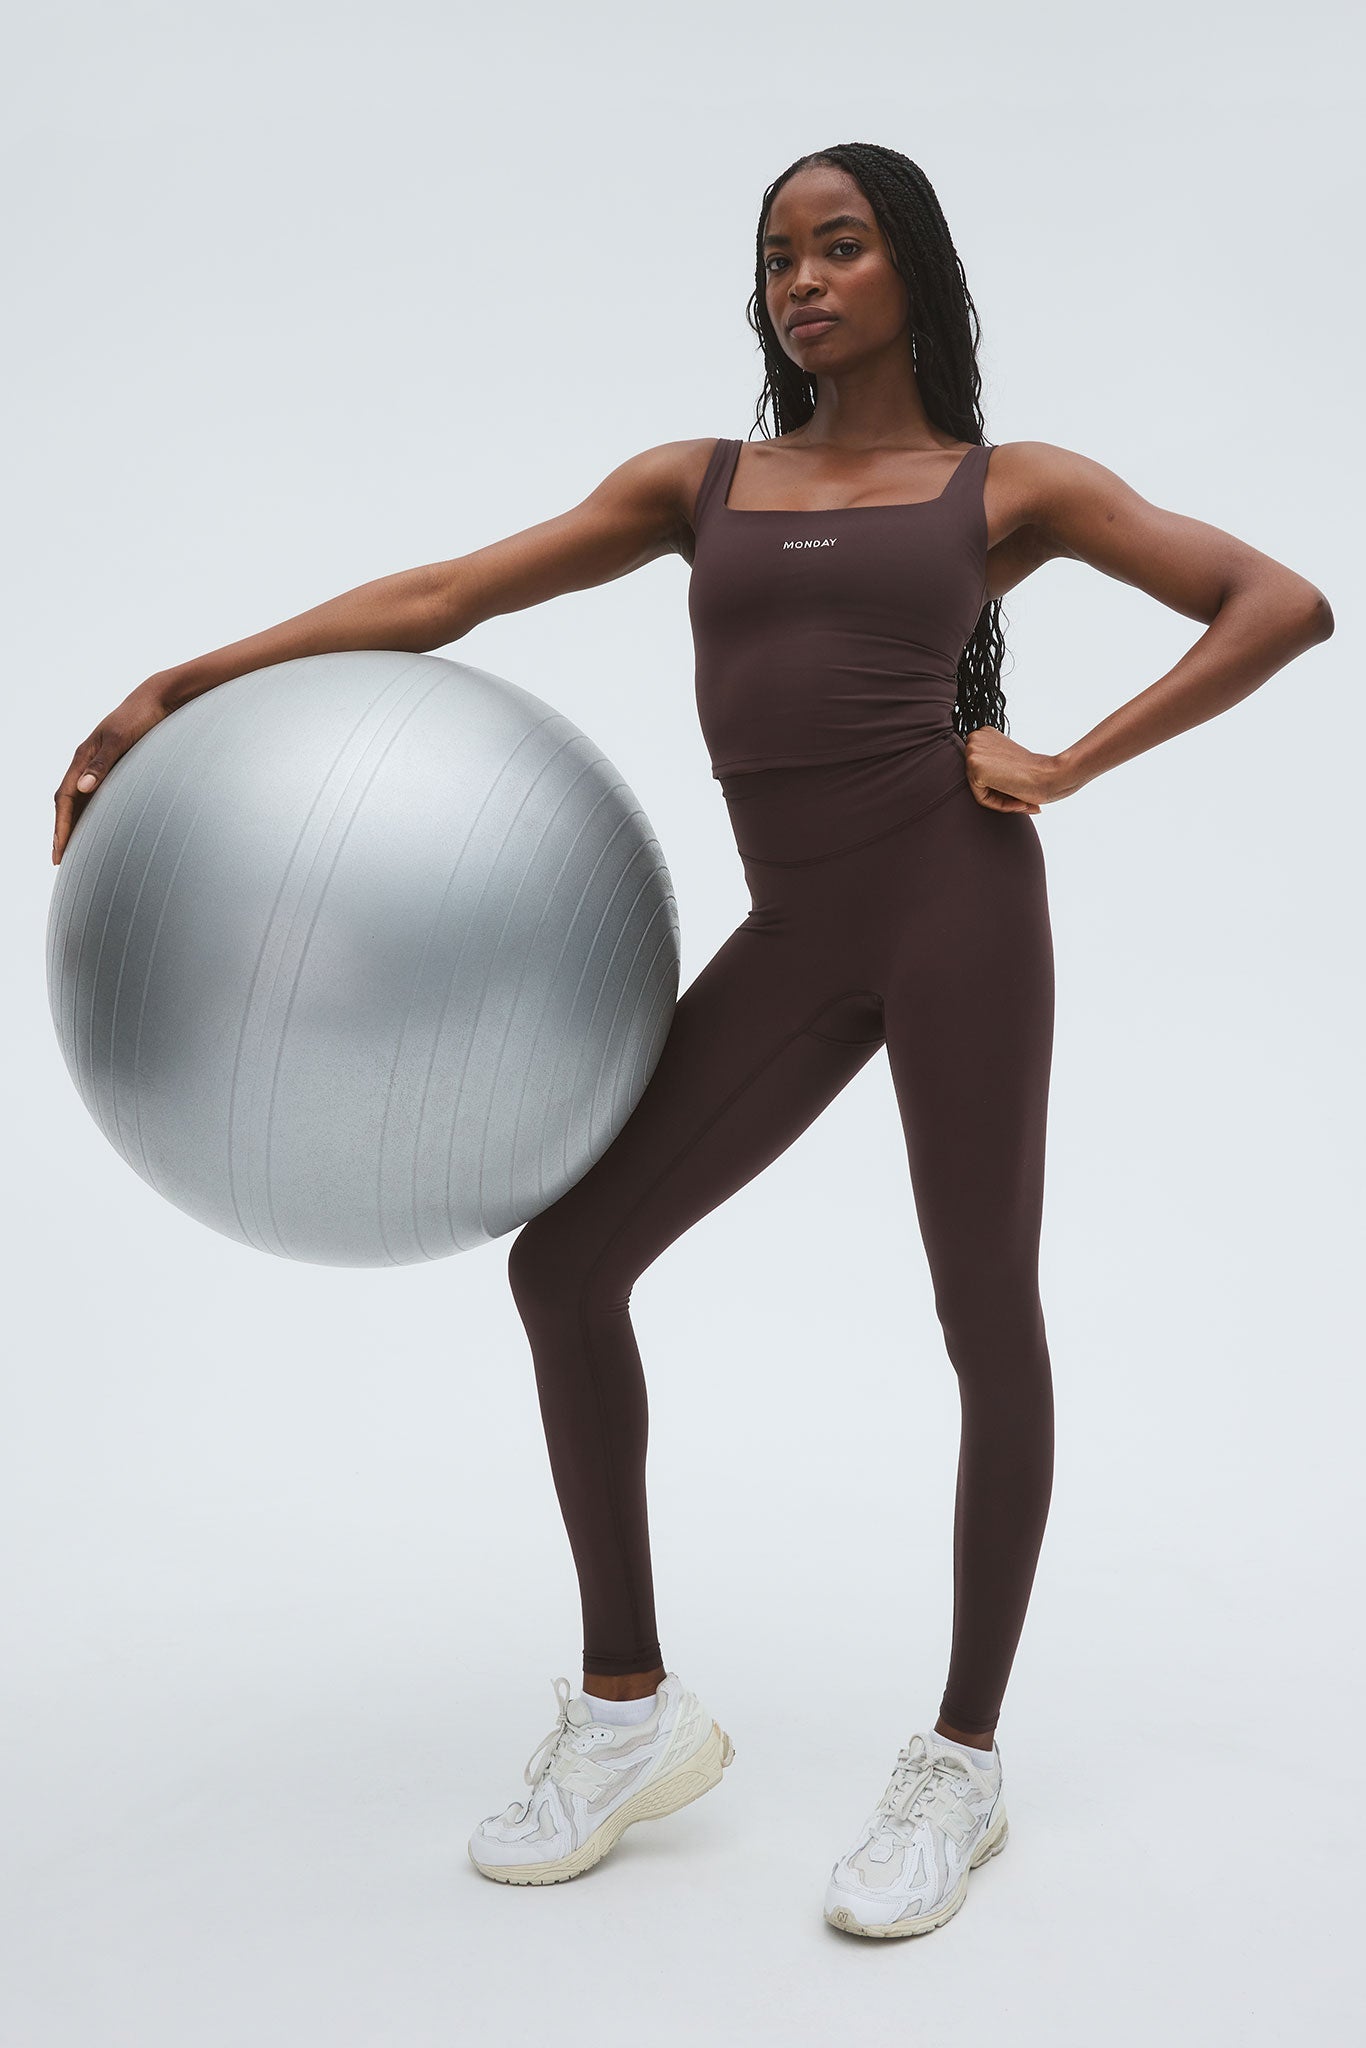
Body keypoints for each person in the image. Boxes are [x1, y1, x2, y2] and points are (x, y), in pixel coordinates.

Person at [52, 142, 1334, 1939]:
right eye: (775, 258)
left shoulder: (1005, 487)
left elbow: (1276, 600)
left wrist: (1066, 760)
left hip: (958, 913)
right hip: (798, 936)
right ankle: (630, 1713)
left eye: (839, 247)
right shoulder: (699, 482)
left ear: (914, 276)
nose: (801, 282)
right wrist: (185, 679)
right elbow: (445, 597)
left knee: (982, 1318)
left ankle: (958, 1761)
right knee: (569, 1267)